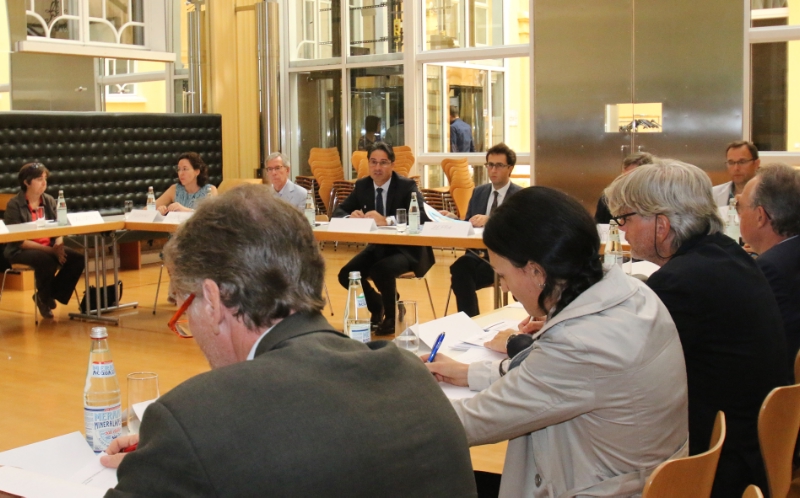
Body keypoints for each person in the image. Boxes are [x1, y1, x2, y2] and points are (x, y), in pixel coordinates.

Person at [101, 184, 477, 497]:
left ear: (213, 301)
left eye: (184, 306)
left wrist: (170, 461)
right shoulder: (411, 376)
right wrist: (170, 461)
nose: (190, 328)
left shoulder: (191, 418)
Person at [427, 187, 689, 497]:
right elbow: (550, 378)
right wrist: (470, 373)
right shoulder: (634, 294)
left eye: (503, 275)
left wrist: (392, 410)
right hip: (643, 478)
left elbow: (472, 422)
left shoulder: (580, 343)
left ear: (536, 272)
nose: (504, 287)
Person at [604, 158, 789, 498]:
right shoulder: (725, 254)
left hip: (716, 465)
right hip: (750, 445)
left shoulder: (681, 281)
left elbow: (615, 365)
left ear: (661, 225)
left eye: (625, 218)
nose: (622, 230)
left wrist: (530, 341)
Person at [333, 142, 434, 336]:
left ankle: (391, 316)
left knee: (381, 270)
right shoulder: (363, 185)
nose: (377, 168)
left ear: (392, 165)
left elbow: (422, 216)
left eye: (383, 162)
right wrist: (350, 217)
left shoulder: (406, 186)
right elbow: (338, 212)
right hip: (378, 248)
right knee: (347, 274)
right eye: (373, 162)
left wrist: (387, 220)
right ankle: (377, 304)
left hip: (407, 249)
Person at [447, 143, 522, 317]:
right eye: (490, 165)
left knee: (521, 275)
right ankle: (471, 321)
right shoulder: (479, 192)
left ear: (510, 168)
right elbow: (469, 224)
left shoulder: (519, 196)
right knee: (460, 269)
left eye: (499, 165)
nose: (493, 170)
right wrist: (452, 220)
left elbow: (521, 230)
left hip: (507, 258)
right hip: (479, 255)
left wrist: (491, 220)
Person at [3, 162, 85, 319]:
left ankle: (46, 295)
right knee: (46, 260)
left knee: (77, 259)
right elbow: (18, 240)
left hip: (49, 246)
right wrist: (51, 251)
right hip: (21, 249)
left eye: (45, 179)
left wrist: (58, 245)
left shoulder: (49, 200)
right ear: (27, 182)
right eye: (39, 179)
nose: (44, 183)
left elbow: (59, 226)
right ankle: (45, 298)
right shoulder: (14, 205)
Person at [739, 163, 800, 371]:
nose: (739, 214)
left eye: (740, 207)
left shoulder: (769, 269)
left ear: (760, 216)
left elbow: (767, 345)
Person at [594, 152, 653, 224]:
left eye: (631, 177)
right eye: (624, 176)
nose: (626, 181)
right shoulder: (608, 199)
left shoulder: (655, 201)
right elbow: (599, 227)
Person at [712, 140, 760, 207]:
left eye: (742, 162)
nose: (736, 168)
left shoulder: (770, 194)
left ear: (756, 164)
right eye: (731, 163)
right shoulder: (713, 194)